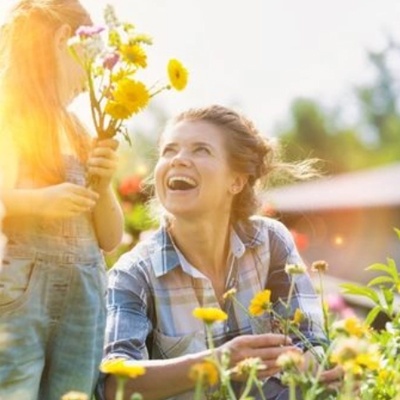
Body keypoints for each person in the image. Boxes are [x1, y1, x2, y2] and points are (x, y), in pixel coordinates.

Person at [100, 105, 341, 400]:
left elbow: (312, 341)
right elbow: (114, 385)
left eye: (200, 150)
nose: (178, 160)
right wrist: (218, 363)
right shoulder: (133, 274)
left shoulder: (271, 242)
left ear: (236, 181)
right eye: (169, 150)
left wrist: (315, 366)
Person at [0, 1, 124, 399]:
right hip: (23, 292)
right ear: (63, 40)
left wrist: (103, 187)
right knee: (14, 388)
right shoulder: (14, 118)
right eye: (90, 58)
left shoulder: (82, 131)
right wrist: (39, 203)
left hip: (84, 298)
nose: (89, 81)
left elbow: (111, 238)